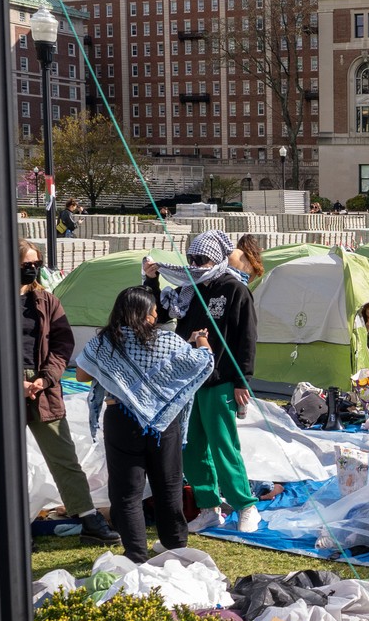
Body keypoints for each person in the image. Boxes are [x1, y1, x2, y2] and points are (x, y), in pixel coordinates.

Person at [75, 287, 213, 563]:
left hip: (121, 419)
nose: (156, 314)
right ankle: (176, 549)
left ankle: (136, 555)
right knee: (169, 485)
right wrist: (200, 341)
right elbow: (203, 363)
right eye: (153, 310)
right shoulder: (166, 340)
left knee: (126, 493)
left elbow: (80, 374)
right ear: (145, 313)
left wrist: (115, 374)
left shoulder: (104, 342)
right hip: (164, 423)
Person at [142, 229, 261, 533]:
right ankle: (209, 506)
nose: (196, 263)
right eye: (192, 258)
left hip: (220, 380)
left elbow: (247, 337)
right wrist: (153, 280)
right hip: (189, 381)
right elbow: (157, 312)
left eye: (203, 258)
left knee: (224, 445)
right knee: (190, 446)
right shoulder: (188, 289)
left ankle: (246, 505)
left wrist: (241, 381)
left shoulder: (235, 289)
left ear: (218, 258)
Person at [18, 240, 120, 545]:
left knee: (64, 457)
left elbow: (63, 345)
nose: (32, 269)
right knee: (5, 462)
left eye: (36, 263)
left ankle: (88, 518)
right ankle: (12, 526)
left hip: (43, 388)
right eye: (26, 264)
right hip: (3, 389)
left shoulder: (47, 301)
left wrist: (46, 378)